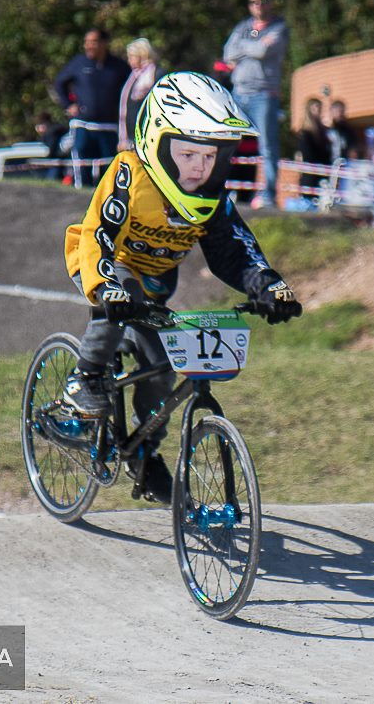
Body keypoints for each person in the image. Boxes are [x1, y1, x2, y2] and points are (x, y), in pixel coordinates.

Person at [60, 72, 302, 503]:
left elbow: (234, 251)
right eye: (188, 153)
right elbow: (98, 233)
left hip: (154, 287)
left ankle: (144, 455)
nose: (199, 167)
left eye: (211, 156)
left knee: (161, 367)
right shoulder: (129, 175)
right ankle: (85, 377)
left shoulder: (211, 199)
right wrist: (106, 287)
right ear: (157, 141)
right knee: (125, 291)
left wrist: (269, 288)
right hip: (104, 264)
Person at [223, 0, 289, 209]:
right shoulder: (242, 27)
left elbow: (261, 51)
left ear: (270, 2)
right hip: (239, 93)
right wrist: (253, 47)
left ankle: (268, 196)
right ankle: (219, 190)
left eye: (262, 1)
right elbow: (228, 53)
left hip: (265, 95)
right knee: (226, 143)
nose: (258, 5)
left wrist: (244, 49)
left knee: (268, 147)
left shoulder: (279, 27)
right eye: (253, 2)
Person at [54, 28, 132, 184]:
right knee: (82, 166)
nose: (88, 46)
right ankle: (80, 198)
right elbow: (59, 83)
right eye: (86, 42)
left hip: (108, 128)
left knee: (108, 170)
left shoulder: (119, 66)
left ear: (104, 43)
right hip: (83, 125)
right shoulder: (78, 63)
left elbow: (131, 89)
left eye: (93, 42)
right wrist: (68, 105)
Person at [118, 38, 164, 152]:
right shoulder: (133, 77)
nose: (129, 60)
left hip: (148, 135)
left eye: (132, 56)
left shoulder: (156, 75)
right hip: (131, 136)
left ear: (142, 55)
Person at [296, 97, 331, 190]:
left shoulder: (324, 131)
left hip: (324, 174)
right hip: (311, 176)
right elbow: (306, 155)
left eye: (319, 108)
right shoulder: (305, 133)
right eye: (315, 108)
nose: (318, 111)